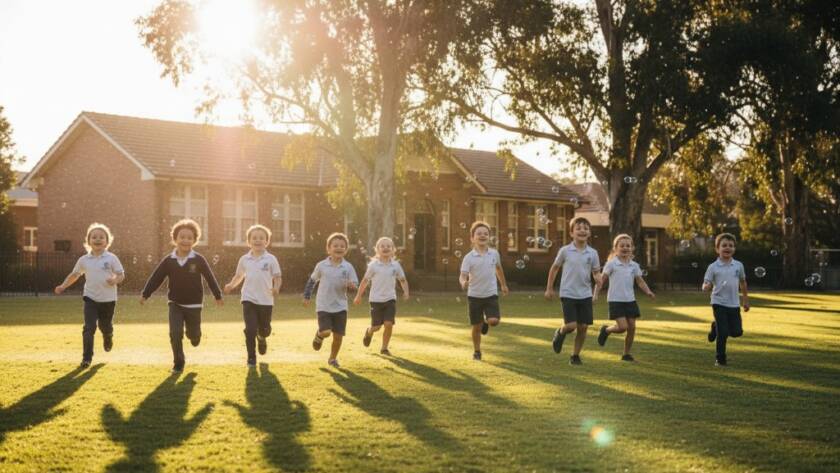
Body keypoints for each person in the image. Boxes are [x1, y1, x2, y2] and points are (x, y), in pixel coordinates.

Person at [141, 219, 223, 373]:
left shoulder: (198, 260)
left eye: (189, 238)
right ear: (175, 239)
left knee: (193, 335)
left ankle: (195, 335)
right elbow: (156, 277)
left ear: (194, 240)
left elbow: (209, 277)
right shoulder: (169, 260)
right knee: (175, 333)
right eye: (182, 237)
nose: (185, 240)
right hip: (175, 303)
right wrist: (146, 293)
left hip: (194, 305)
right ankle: (178, 363)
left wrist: (217, 295)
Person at [55, 223, 125, 368]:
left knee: (105, 326)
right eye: (94, 237)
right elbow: (74, 275)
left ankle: (108, 336)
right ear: (88, 241)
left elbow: (121, 274)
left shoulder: (111, 258)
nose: (98, 239)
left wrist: (115, 280)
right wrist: (63, 286)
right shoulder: (84, 260)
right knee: (89, 327)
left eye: (101, 237)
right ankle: (87, 358)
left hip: (108, 300)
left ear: (107, 241)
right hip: (90, 298)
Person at [545, 217, 601, 365]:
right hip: (568, 293)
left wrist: (598, 278)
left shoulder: (593, 253)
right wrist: (549, 288)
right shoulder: (565, 251)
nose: (582, 230)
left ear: (589, 233)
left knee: (583, 327)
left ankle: (575, 356)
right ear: (571, 233)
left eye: (586, 228)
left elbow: (596, 271)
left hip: (585, 294)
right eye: (578, 228)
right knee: (571, 326)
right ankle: (561, 332)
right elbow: (554, 268)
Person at [224, 224, 282, 367]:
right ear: (249, 241)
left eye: (261, 238)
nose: (258, 240)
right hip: (248, 299)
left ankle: (262, 338)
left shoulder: (271, 259)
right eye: (254, 238)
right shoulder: (244, 259)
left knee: (265, 329)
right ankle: (251, 358)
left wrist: (276, 288)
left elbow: (278, 277)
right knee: (250, 329)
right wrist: (231, 285)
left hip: (266, 301)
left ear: (266, 241)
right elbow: (239, 276)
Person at [593, 234, 655, 361]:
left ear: (632, 248)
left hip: (630, 301)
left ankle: (626, 354)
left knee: (631, 328)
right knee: (622, 327)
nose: (625, 248)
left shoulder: (634, 265)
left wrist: (648, 291)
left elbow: (640, 281)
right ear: (615, 248)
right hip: (615, 301)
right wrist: (595, 295)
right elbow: (601, 280)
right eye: (622, 246)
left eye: (628, 245)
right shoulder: (611, 264)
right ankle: (607, 330)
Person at [303, 232, 358, 368]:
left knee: (338, 336)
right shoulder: (322, 265)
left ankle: (332, 358)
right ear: (328, 249)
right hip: (324, 305)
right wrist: (307, 295)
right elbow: (312, 280)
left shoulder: (348, 267)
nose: (339, 248)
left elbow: (355, 284)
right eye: (335, 245)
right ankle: (319, 335)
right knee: (326, 332)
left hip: (341, 306)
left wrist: (352, 286)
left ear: (345, 250)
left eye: (342, 246)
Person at [459, 221, 509, 361]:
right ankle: (477, 351)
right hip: (474, 296)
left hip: (491, 294)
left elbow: (499, 269)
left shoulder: (494, 254)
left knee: (494, 321)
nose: (482, 235)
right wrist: (463, 282)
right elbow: (463, 275)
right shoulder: (468, 258)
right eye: (479, 233)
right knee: (476, 327)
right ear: (472, 238)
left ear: (489, 237)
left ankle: (487, 321)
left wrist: (503, 285)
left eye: (486, 233)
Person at [353, 237, 409, 356]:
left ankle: (384, 348)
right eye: (382, 246)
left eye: (388, 246)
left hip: (390, 299)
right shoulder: (373, 265)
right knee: (377, 326)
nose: (385, 248)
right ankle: (369, 332)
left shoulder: (395, 265)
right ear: (377, 250)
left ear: (393, 250)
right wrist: (358, 296)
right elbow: (364, 281)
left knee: (388, 324)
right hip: (376, 300)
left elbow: (403, 280)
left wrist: (406, 292)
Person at [702, 233, 750, 366]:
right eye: (724, 245)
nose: (727, 248)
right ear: (717, 249)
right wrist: (706, 286)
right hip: (718, 302)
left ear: (734, 248)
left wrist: (745, 299)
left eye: (730, 245)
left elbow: (743, 282)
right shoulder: (713, 267)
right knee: (723, 333)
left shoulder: (738, 265)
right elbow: (706, 283)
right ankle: (720, 358)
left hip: (734, 303)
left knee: (737, 332)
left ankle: (715, 326)